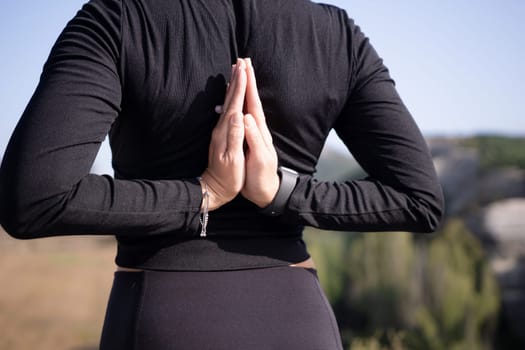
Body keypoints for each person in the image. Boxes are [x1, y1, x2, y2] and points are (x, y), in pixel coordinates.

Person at [0, 0, 444, 349]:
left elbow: (33, 199)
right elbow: (418, 198)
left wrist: (204, 193)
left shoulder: (118, 19)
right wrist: (282, 192)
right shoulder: (337, 34)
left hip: (163, 316)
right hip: (298, 321)